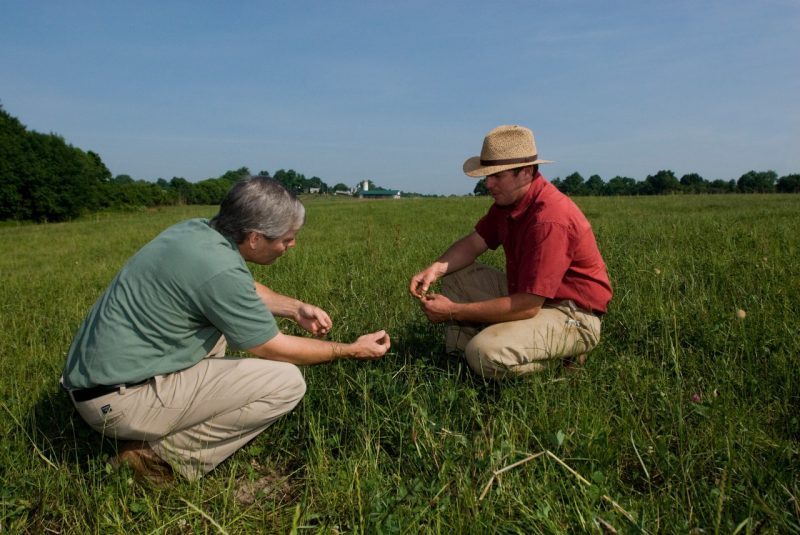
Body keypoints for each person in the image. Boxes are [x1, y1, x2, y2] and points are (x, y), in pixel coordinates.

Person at [62, 176, 391, 484]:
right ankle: (151, 459)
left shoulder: (196, 232)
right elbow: (272, 347)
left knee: (217, 329)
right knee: (286, 383)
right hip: (118, 402)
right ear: (254, 238)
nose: (291, 246)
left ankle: (155, 430)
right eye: (287, 240)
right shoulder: (218, 272)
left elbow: (238, 287)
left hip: (97, 384)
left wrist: (294, 308)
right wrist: (351, 349)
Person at [409, 125, 611, 379]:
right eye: (487, 176)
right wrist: (434, 269)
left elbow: (527, 306)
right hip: (532, 297)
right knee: (454, 273)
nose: (488, 184)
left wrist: (452, 311)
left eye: (497, 176)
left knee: (484, 354)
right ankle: (459, 359)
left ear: (525, 173)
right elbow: (473, 243)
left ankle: (562, 360)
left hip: (572, 314)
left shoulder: (550, 219)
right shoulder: (507, 203)